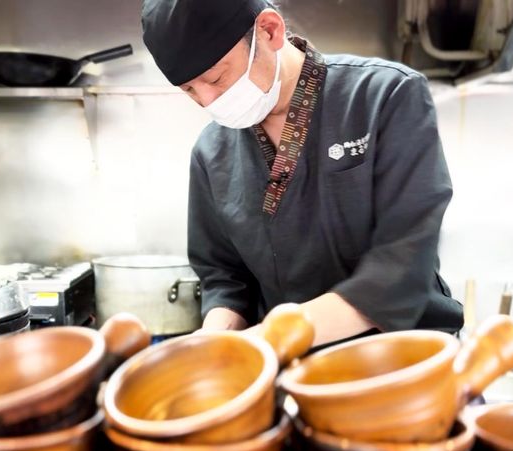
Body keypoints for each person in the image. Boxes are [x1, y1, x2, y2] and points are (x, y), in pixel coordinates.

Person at [142, 0, 463, 346]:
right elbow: (225, 277)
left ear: (269, 31)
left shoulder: (385, 96)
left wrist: (271, 337)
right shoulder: (211, 152)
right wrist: (214, 342)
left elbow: (403, 260)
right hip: (292, 362)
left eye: (217, 77)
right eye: (189, 90)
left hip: (408, 354)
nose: (208, 101)